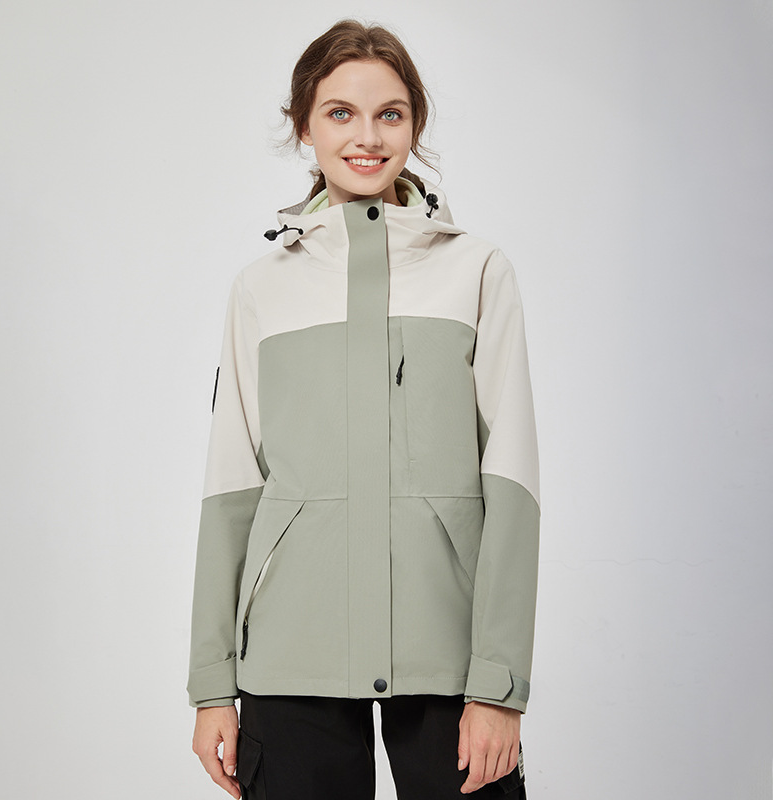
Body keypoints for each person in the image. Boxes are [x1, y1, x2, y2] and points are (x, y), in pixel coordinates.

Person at [187, 19, 540, 800]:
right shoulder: (261, 288)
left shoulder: (477, 270)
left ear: (414, 124)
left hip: (449, 652)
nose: (368, 137)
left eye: (391, 114)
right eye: (340, 112)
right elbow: (231, 488)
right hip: (291, 652)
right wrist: (212, 685)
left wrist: (500, 683)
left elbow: (513, 485)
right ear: (304, 125)